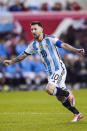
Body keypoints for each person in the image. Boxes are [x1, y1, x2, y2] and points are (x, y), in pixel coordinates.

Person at [3, 21, 84, 122]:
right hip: (50, 73)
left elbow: (64, 45)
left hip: (58, 69)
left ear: (41, 29)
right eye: (32, 29)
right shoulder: (33, 45)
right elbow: (23, 55)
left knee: (49, 89)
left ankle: (68, 93)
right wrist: (11, 61)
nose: (33, 31)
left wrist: (76, 50)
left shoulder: (50, 39)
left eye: (35, 29)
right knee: (59, 97)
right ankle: (77, 113)